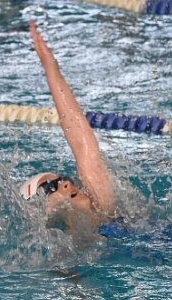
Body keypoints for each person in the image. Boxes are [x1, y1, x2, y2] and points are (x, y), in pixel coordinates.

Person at [19, 21, 117, 235]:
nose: (64, 182)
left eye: (61, 177)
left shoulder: (104, 210)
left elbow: (82, 144)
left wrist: (49, 66)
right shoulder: (66, 255)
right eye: (51, 187)